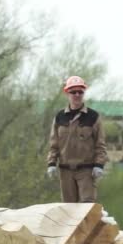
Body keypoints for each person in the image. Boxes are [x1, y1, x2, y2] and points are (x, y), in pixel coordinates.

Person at [46, 75, 108, 203]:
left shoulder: (93, 117)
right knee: (68, 209)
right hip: (65, 171)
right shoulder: (60, 117)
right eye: (73, 92)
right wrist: (51, 163)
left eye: (80, 91)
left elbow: (100, 144)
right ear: (67, 93)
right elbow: (54, 144)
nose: (77, 95)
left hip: (86, 171)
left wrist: (99, 165)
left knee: (87, 208)